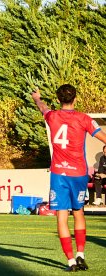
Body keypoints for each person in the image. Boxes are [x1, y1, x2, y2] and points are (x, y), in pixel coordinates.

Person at [32, 84, 106, 272]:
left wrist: (37, 98)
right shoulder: (84, 119)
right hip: (79, 173)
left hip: (59, 174)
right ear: (76, 99)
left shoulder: (52, 116)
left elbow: (43, 108)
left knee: (62, 216)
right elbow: (104, 138)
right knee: (79, 212)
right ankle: (81, 254)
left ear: (58, 99)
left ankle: (71, 261)